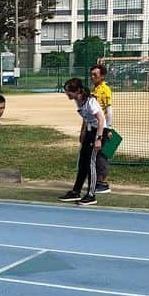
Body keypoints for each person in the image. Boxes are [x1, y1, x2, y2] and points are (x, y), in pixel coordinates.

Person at [59, 77, 105, 206]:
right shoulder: (79, 101)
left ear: (77, 90)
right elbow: (86, 117)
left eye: (69, 91)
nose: (67, 94)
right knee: (82, 162)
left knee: (91, 163)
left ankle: (91, 195)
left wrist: (99, 139)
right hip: (90, 131)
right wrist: (83, 132)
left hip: (99, 131)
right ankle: (76, 191)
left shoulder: (91, 102)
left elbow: (101, 119)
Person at [90, 64, 113, 194]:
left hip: (102, 127)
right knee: (96, 155)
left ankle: (103, 183)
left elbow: (109, 110)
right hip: (95, 126)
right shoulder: (95, 89)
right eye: (91, 74)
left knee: (101, 155)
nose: (92, 77)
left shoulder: (105, 89)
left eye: (95, 75)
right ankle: (98, 181)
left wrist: (108, 128)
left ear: (102, 76)